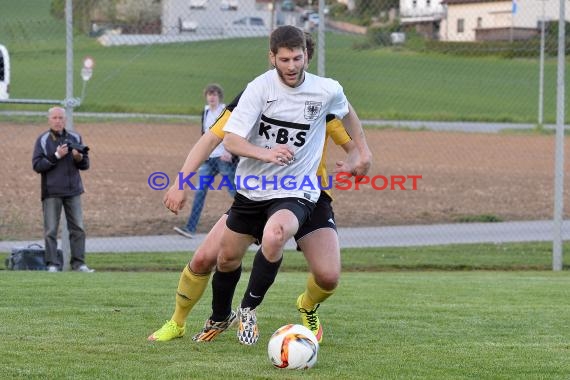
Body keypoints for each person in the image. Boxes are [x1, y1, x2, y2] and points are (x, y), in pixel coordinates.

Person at [148, 30, 371, 344]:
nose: (292, 65)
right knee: (208, 259)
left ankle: (300, 307)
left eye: (298, 57)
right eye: (285, 59)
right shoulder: (255, 94)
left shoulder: (323, 97)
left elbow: (349, 129)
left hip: (306, 194)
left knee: (328, 275)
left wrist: (360, 156)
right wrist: (181, 181)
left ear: (307, 57)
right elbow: (214, 138)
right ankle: (183, 321)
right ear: (273, 59)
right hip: (256, 191)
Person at [32, 106, 94, 273]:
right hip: (51, 192)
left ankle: (79, 264)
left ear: (65, 120)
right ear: (49, 120)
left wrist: (78, 157)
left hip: (73, 191)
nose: (58, 121)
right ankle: (52, 264)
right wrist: (56, 156)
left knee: (78, 228)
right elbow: (37, 166)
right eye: (55, 118)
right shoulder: (43, 140)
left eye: (61, 118)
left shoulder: (75, 137)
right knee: (51, 230)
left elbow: (85, 164)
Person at [173, 84, 237, 239]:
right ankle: (190, 228)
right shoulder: (206, 111)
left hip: (224, 158)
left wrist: (229, 151)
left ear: (219, 96)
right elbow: (205, 135)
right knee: (200, 192)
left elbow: (233, 130)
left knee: (235, 192)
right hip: (208, 159)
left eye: (214, 94)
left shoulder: (225, 111)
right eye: (209, 94)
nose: (212, 97)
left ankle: (255, 221)